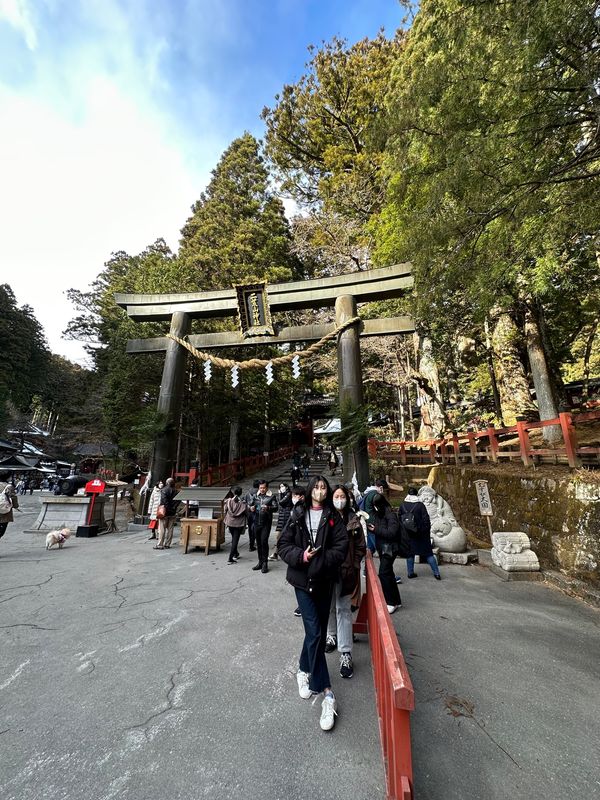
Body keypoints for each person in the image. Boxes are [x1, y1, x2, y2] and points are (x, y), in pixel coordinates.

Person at [278, 475, 348, 731]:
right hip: (301, 582)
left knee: (313, 633)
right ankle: (326, 691)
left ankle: (302, 669)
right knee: (316, 631)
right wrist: (302, 556)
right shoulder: (298, 514)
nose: (320, 491)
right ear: (309, 490)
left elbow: (341, 548)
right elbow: (283, 545)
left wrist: (319, 561)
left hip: (324, 581)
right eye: (316, 487)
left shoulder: (333, 517)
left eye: (323, 487)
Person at [325, 484, 366, 679]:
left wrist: (354, 563)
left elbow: (360, 545)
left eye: (342, 496)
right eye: (336, 495)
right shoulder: (325, 516)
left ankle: (346, 652)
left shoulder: (353, 519)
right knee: (329, 606)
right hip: (327, 570)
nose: (339, 499)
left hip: (345, 571)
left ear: (347, 498)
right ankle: (331, 635)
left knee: (343, 609)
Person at [368, 492, 402, 613]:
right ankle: (396, 601)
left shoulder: (391, 515)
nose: (375, 508)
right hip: (383, 548)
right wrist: (373, 528)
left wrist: (376, 529)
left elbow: (392, 533)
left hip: (390, 549)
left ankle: (391, 602)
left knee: (383, 573)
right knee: (389, 574)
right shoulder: (380, 514)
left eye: (376, 505)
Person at [401, 486, 441, 580]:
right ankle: (437, 573)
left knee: (410, 554)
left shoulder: (403, 505)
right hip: (421, 535)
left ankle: (410, 573)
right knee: (428, 554)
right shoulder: (420, 505)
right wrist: (424, 531)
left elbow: (400, 519)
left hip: (409, 535)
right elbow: (426, 520)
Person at [249, 480, 277, 573]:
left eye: (264, 488)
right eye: (260, 488)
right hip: (256, 523)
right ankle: (260, 562)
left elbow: (276, 507)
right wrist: (251, 508)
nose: (262, 489)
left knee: (264, 542)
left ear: (267, 488)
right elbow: (250, 505)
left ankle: (265, 563)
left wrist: (268, 508)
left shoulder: (271, 497)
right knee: (259, 543)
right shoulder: (255, 496)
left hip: (266, 524)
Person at [269, 482, 292, 561]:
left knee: (281, 536)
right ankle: (276, 553)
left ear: (286, 486)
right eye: (280, 486)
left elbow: (281, 502)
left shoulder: (289, 494)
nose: (282, 488)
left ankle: (277, 553)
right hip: (282, 516)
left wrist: (279, 494)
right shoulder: (285, 494)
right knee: (278, 536)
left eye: (283, 486)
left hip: (286, 516)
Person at [154, 477, 178, 550]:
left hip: (164, 512)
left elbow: (164, 501)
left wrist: (167, 508)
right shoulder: (176, 491)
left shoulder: (164, 490)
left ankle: (160, 544)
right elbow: (178, 501)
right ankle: (168, 544)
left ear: (167, 483)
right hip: (173, 512)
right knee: (170, 529)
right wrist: (173, 508)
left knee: (162, 528)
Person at [224, 486, 247, 564]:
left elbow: (225, 510)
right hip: (238, 523)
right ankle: (230, 558)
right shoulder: (243, 503)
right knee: (235, 540)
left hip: (230, 522)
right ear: (241, 493)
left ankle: (236, 553)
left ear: (234, 492)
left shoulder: (229, 501)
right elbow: (246, 513)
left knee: (233, 538)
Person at [0, 482, 18, 549]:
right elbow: (13, 498)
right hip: (4, 512)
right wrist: (15, 506)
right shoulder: (9, 486)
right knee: (1, 531)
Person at [245, 479, 260, 552]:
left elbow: (244, 501)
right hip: (256, 512)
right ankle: (256, 543)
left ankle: (251, 544)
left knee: (250, 529)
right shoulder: (259, 492)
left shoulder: (248, 492)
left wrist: (248, 507)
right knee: (256, 528)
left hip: (249, 513)